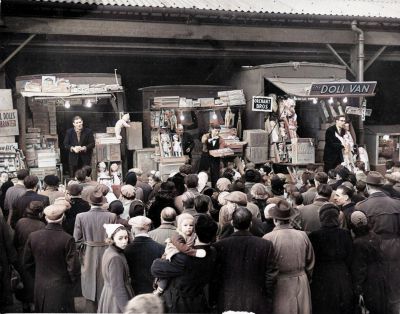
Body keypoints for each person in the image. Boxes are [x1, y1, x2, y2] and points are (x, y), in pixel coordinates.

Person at [213, 207, 278, 313]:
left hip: (228, 300)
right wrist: (268, 296)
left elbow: (215, 277)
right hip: (257, 300)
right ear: (251, 224)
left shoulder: (219, 246)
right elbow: (271, 276)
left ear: (232, 223)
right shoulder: (265, 245)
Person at [151, 214, 218, 313]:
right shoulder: (213, 252)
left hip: (180, 305)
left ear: (195, 231)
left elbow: (155, 268)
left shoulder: (184, 258)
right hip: (200, 302)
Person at [355, 171, 400, 314]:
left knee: (375, 285)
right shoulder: (397, 204)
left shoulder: (361, 206)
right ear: (382, 186)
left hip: (373, 248)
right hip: (395, 247)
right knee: (394, 284)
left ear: (368, 187)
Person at [23, 204, 80, 313]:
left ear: (45, 218)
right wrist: (72, 282)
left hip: (40, 285)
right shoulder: (67, 239)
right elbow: (73, 268)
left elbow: (26, 263)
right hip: (61, 287)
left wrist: (38, 275)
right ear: (63, 218)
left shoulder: (33, 236)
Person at [263, 200, 314, 314]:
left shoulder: (268, 238)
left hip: (280, 284)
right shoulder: (303, 235)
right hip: (301, 280)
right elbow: (310, 262)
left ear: (275, 220)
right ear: (290, 219)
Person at [73, 190, 117, 312]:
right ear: (102, 202)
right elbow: (115, 237)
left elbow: (76, 239)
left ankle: (91, 310)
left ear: (89, 202)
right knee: (106, 281)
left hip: (88, 253)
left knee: (89, 281)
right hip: (107, 251)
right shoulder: (111, 216)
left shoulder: (80, 216)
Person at [309, 203, 354, 314]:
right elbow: (350, 256)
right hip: (341, 273)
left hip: (321, 275)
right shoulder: (345, 234)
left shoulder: (314, 236)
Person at [350, 211, 388, 314]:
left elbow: (360, 268)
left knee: (371, 307)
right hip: (380, 275)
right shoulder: (375, 236)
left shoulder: (357, 243)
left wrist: (358, 288)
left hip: (368, 280)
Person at [14, 201, 46, 312]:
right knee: (33, 282)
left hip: (21, 255)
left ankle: (25, 305)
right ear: (40, 213)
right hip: (35, 258)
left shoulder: (20, 222)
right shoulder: (42, 225)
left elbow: (15, 241)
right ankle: (32, 305)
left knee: (24, 281)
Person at [97, 224, 134, 313]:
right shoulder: (115, 258)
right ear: (112, 239)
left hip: (108, 294)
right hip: (115, 300)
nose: (124, 241)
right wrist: (126, 309)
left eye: (126, 237)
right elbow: (118, 287)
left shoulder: (110, 251)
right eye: (120, 238)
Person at [124, 216, 164, 295]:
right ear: (148, 228)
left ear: (133, 229)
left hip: (134, 292)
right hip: (154, 292)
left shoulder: (126, 250)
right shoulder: (161, 248)